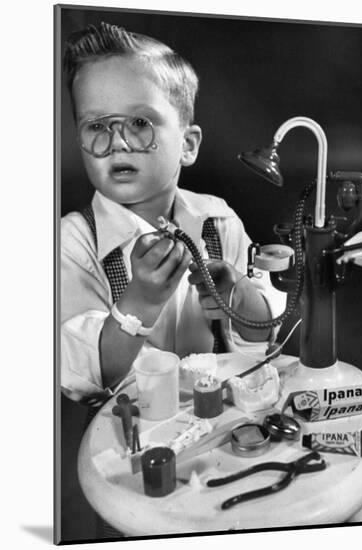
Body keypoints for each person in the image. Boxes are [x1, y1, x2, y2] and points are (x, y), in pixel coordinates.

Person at [61, 21, 286, 406]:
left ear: (188, 144)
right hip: (131, 433)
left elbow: (263, 336)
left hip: (225, 413)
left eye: (139, 123)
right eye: (96, 125)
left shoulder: (220, 221)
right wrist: (140, 303)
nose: (117, 143)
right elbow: (84, 374)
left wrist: (237, 293)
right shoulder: (73, 243)